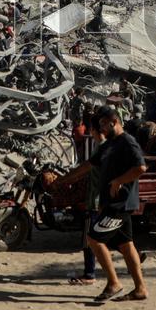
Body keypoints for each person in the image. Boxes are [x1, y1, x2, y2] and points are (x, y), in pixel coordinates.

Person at [86, 106, 148, 302]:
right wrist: (63, 180)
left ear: (114, 122)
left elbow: (140, 168)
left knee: (94, 239)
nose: (101, 128)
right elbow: (88, 165)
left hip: (120, 203)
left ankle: (114, 283)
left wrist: (119, 181)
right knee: (126, 245)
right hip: (114, 203)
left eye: (104, 124)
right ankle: (140, 289)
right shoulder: (110, 144)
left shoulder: (127, 142)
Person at [54, 111, 107, 286]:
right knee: (116, 239)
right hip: (101, 199)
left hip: (95, 201)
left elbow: (85, 168)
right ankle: (134, 259)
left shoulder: (102, 148)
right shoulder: (106, 146)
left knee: (89, 239)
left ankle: (90, 274)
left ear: (92, 129)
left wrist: (62, 180)